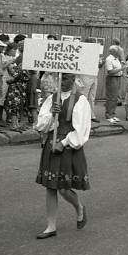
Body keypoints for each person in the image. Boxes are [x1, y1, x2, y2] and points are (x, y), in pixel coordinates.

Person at [34, 72, 91, 239]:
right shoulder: (52, 98)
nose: (62, 81)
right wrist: (52, 113)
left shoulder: (80, 100)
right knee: (51, 186)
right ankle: (51, 226)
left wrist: (64, 143)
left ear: (73, 79)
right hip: (51, 146)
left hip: (67, 147)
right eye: (60, 78)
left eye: (65, 78)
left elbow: (81, 130)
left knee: (64, 188)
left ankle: (79, 207)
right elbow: (41, 126)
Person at [4, 42, 30, 131]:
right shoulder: (21, 62)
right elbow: (18, 75)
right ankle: (14, 125)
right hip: (17, 89)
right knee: (15, 106)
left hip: (18, 88)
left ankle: (16, 124)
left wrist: (11, 80)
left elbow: (17, 75)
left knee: (16, 106)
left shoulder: (21, 63)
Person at [104, 45, 123, 123]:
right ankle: (108, 115)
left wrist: (122, 72)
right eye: (119, 51)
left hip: (118, 78)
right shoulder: (109, 59)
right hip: (112, 79)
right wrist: (121, 69)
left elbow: (118, 70)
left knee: (115, 97)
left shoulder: (117, 59)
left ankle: (112, 114)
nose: (120, 52)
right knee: (111, 97)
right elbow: (110, 71)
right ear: (113, 51)